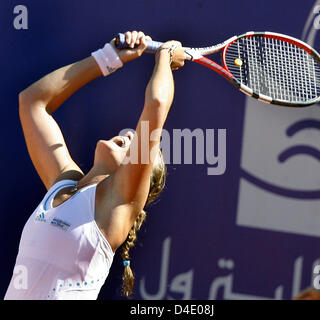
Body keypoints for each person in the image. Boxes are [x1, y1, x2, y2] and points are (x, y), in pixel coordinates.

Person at [4, 30, 185, 300]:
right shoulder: (62, 182)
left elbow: (157, 104)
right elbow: (31, 103)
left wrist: (165, 57)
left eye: (137, 144)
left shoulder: (118, 202)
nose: (130, 135)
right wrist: (108, 57)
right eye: (130, 135)